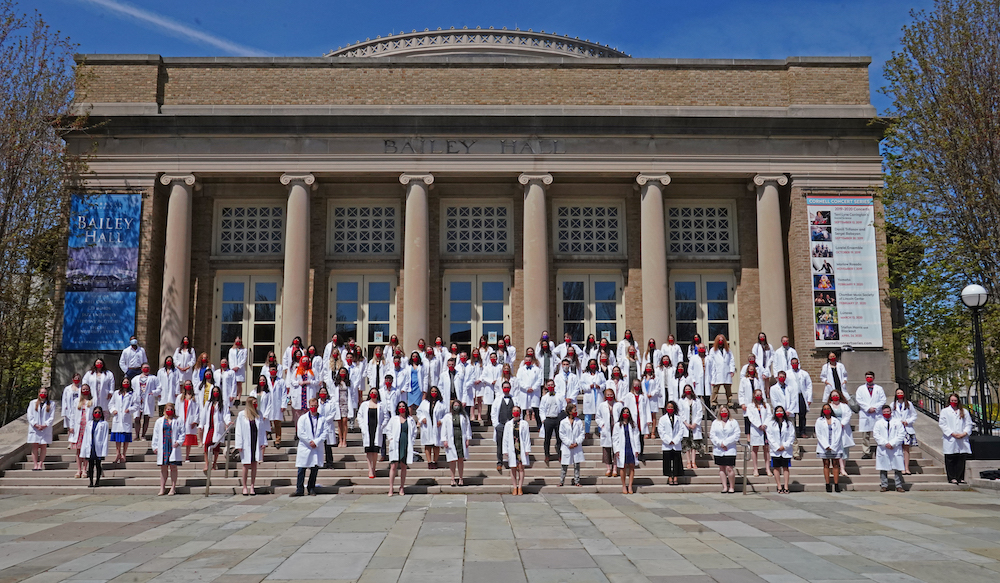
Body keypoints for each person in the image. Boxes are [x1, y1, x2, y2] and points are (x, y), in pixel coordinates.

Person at [292, 398, 326, 496]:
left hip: (316, 446)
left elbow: (325, 432)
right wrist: (309, 441)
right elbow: (300, 432)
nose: (313, 408)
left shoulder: (322, 419)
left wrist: (316, 442)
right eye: (311, 406)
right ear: (309, 406)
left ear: (318, 406)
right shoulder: (303, 418)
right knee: (301, 469)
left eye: (315, 406)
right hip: (305, 446)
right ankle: (299, 489)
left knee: (314, 468)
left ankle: (311, 487)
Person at [235, 396, 268, 496]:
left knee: (254, 464)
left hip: (256, 441)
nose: (255, 404)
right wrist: (239, 444)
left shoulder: (259, 414)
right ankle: (244, 486)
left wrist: (263, 443)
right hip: (246, 443)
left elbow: (262, 430)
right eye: (254, 403)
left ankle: (252, 485)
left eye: (256, 402)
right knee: (245, 465)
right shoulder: (242, 414)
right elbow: (238, 430)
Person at [152, 402, 185, 496]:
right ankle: (162, 487)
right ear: (164, 410)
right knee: (163, 468)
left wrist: (178, 442)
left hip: (173, 445)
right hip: (163, 445)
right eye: (167, 409)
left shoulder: (178, 420)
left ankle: (173, 487)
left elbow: (182, 432)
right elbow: (156, 434)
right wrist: (154, 446)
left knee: (173, 467)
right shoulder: (159, 421)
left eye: (171, 409)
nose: (169, 411)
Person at [939, 393, 972, 485]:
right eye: (952, 400)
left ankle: (960, 477)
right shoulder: (945, 411)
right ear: (949, 401)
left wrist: (964, 433)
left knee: (961, 458)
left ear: (958, 401)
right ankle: (952, 477)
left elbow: (968, 424)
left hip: (962, 438)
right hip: (950, 438)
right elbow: (942, 424)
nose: (953, 402)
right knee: (950, 458)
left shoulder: (964, 411)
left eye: (955, 400)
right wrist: (952, 433)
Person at [200, 385, 232, 474]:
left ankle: (214, 463)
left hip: (218, 427)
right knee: (206, 444)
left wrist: (228, 422)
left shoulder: (223, 403)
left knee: (216, 447)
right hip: (209, 426)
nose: (215, 393)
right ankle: (207, 464)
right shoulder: (208, 403)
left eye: (217, 391)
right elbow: (204, 415)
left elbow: (226, 415)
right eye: (214, 391)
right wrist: (201, 425)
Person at [357, 388, 388, 479]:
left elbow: (386, 417)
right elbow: (359, 416)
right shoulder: (364, 405)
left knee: (375, 451)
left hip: (377, 429)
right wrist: (362, 426)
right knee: (368, 450)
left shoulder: (381, 405)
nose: (373, 394)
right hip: (367, 429)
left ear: (377, 394)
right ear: (369, 394)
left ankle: (374, 467)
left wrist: (382, 426)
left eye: (375, 393)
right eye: (372, 392)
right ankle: (370, 469)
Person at [874, 404, 906, 493]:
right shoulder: (878, 423)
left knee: (898, 467)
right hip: (883, 448)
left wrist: (892, 443)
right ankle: (884, 485)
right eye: (884, 412)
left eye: (888, 411)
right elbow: (876, 435)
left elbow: (901, 434)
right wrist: (885, 443)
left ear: (891, 412)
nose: (886, 413)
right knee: (883, 467)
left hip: (895, 447)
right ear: (882, 413)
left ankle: (899, 485)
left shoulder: (897, 422)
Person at [855, 371, 886, 459]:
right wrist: (868, 408)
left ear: (874, 378)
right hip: (866, 413)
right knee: (865, 435)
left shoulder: (879, 388)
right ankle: (866, 452)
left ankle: (880, 451)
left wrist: (875, 407)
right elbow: (859, 400)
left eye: (871, 377)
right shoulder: (860, 389)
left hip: (876, 414)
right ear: (865, 378)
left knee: (879, 433)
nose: (869, 378)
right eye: (867, 377)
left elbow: (883, 400)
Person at [387, 401, 415, 496]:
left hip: (405, 443)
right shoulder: (394, 419)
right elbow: (388, 429)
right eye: (400, 406)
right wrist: (391, 439)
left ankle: (402, 487)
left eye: (403, 406)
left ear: (406, 408)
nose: (401, 408)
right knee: (393, 466)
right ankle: (391, 487)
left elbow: (414, 431)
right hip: (395, 443)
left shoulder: (410, 420)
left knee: (403, 466)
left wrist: (412, 440)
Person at [441, 400, 472, 487]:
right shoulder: (447, 416)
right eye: (455, 405)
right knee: (452, 460)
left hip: (461, 439)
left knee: (460, 460)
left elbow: (467, 428)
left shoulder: (464, 416)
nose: (456, 407)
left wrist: (468, 439)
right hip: (451, 440)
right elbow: (444, 429)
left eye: (458, 405)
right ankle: (452, 478)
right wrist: (444, 440)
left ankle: (461, 478)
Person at [711, 405, 740, 493]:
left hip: (730, 448)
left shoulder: (733, 422)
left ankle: (731, 486)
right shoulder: (715, 422)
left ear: (728, 412)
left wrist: (726, 443)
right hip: (719, 449)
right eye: (722, 411)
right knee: (722, 468)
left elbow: (736, 435)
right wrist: (720, 443)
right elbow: (712, 435)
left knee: (729, 468)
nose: (724, 412)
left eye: (725, 411)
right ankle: (724, 487)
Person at [816, 403, 845, 492]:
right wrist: (826, 445)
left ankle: (836, 484)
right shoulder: (819, 421)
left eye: (828, 408)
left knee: (836, 464)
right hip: (823, 446)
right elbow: (819, 434)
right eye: (825, 409)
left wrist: (833, 446)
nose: (826, 410)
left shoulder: (836, 420)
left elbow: (839, 434)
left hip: (835, 446)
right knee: (826, 464)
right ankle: (827, 484)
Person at [503, 406, 532, 495]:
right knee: (513, 468)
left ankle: (520, 487)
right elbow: (505, 438)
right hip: (512, 448)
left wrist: (527, 448)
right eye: (514, 411)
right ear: (512, 413)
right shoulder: (508, 424)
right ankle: (514, 487)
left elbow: (527, 437)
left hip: (521, 448)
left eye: (517, 411)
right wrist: (505, 450)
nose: (516, 412)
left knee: (521, 468)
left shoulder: (524, 423)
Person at [613, 407, 641, 494]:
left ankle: (630, 486)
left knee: (631, 466)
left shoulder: (633, 424)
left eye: (627, 412)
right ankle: (624, 485)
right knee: (623, 466)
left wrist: (637, 449)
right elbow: (615, 438)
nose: (626, 414)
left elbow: (636, 437)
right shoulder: (618, 425)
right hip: (622, 447)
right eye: (624, 412)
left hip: (631, 447)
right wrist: (616, 450)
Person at [69, 385, 95, 478]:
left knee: (86, 450)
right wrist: (71, 426)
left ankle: (85, 469)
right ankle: (78, 469)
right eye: (83, 389)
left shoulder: (92, 402)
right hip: (78, 428)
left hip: (88, 427)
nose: (85, 391)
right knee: (79, 450)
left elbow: (95, 415)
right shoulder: (77, 401)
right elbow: (72, 414)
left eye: (87, 389)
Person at [827, 390, 855, 476]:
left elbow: (848, 415)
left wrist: (842, 423)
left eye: (836, 395)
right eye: (833, 395)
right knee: (836, 448)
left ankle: (843, 468)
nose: (835, 397)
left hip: (843, 428)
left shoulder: (844, 406)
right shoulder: (829, 406)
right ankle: (837, 467)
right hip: (833, 429)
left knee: (843, 449)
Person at [767, 405, 794, 493]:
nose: (779, 413)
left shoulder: (789, 424)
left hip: (785, 449)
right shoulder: (771, 424)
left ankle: (786, 486)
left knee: (785, 467)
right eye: (777, 411)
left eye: (781, 411)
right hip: (776, 450)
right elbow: (769, 436)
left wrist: (784, 446)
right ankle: (779, 486)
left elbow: (791, 436)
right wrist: (776, 447)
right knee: (776, 467)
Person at [417, 386, 445, 469]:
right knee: (428, 445)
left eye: (435, 391)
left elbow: (446, 415)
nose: (434, 393)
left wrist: (441, 421)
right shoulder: (424, 402)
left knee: (436, 445)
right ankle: (429, 462)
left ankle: (435, 461)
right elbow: (419, 412)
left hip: (437, 426)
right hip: (427, 427)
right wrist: (422, 418)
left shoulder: (442, 403)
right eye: (432, 391)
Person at [596, 387, 622, 478]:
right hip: (606, 429)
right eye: (608, 395)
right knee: (606, 450)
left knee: (616, 449)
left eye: (611, 395)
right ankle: (608, 468)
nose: (609, 396)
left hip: (616, 428)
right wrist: (602, 424)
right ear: (605, 396)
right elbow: (598, 417)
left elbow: (622, 416)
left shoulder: (618, 405)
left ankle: (615, 468)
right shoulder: (602, 405)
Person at [891, 388, 918, 475]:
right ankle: (901, 467)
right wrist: (897, 422)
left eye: (901, 393)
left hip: (907, 428)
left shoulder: (909, 404)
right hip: (897, 429)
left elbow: (914, 415)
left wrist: (907, 421)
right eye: (898, 393)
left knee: (906, 449)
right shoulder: (893, 405)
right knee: (899, 449)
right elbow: (891, 416)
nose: (900, 394)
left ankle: (907, 468)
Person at [109, 378, 135, 464]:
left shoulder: (132, 394)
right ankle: (118, 454)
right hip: (117, 417)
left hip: (126, 417)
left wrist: (130, 409)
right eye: (124, 382)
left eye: (127, 382)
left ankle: (124, 454)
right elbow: (111, 404)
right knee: (118, 438)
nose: (126, 383)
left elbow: (136, 405)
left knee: (125, 437)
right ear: (121, 383)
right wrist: (113, 410)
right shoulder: (116, 393)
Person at [746, 388, 771, 477]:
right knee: (755, 449)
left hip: (765, 429)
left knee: (766, 449)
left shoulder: (766, 405)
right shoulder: (750, 406)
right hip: (756, 429)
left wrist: (765, 424)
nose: (759, 397)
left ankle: (767, 468)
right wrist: (759, 425)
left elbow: (769, 415)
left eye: (760, 395)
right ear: (754, 395)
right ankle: (755, 469)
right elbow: (751, 417)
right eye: (757, 395)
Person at [81, 406, 109, 487]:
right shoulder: (89, 423)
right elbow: (86, 436)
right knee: (90, 465)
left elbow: (105, 437)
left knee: (98, 464)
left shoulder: (104, 424)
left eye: (99, 412)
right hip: (90, 446)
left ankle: (97, 481)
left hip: (98, 447)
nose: (97, 414)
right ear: (93, 414)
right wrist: (84, 448)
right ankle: (90, 482)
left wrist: (104, 450)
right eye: (95, 412)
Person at [27, 389, 54, 470]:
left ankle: (40, 463)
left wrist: (45, 425)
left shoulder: (51, 404)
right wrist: (35, 424)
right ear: (39, 393)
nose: (43, 394)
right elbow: (29, 415)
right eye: (42, 392)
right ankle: (35, 464)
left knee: (43, 446)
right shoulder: (33, 403)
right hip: (35, 428)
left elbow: (51, 417)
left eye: (45, 392)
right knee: (35, 447)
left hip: (45, 428)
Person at [658, 400, 684, 485]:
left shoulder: (678, 419)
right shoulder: (662, 419)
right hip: (667, 444)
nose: (670, 409)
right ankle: (669, 477)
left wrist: (675, 440)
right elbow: (661, 431)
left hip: (676, 443)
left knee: (676, 461)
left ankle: (676, 477)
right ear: (666, 408)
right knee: (667, 461)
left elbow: (681, 430)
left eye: (671, 407)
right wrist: (668, 440)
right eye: (668, 407)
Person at [133, 363, 160, 441]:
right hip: (138, 400)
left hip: (148, 400)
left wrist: (153, 392)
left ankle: (143, 435)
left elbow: (159, 388)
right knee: (137, 418)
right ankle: (137, 435)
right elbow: (132, 388)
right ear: (141, 369)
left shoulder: (153, 378)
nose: (146, 369)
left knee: (146, 418)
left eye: (147, 367)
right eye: (144, 367)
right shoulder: (135, 379)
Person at [707, 335, 736, 408]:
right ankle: (714, 402)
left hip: (726, 371)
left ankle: (729, 402)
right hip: (717, 371)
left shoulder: (728, 350)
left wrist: (732, 370)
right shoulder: (713, 350)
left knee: (728, 389)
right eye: (719, 340)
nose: (721, 342)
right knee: (715, 389)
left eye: (722, 340)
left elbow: (731, 360)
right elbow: (711, 361)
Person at [786, 358, 812, 438]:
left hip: (801, 396)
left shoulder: (804, 373)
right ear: (791, 364)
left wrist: (809, 398)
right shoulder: (787, 374)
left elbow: (809, 385)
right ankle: (792, 432)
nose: (794, 364)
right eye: (793, 363)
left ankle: (802, 432)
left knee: (802, 415)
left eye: (796, 363)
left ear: (798, 363)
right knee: (792, 415)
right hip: (791, 396)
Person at [580, 359, 606, 439]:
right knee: (588, 416)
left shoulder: (600, 374)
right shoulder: (585, 375)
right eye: (591, 364)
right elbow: (582, 385)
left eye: (594, 364)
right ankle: (587, 432)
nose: (593, 366)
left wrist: (600, 387)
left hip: (598, 396)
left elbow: (604, 384)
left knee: (599, 415)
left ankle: (600, 431)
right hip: (589, 396)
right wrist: (589, 387)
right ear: (588, 365)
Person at [516, 349, 542, 427]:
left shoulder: (537, 369)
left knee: (536, 410)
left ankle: (539, 426)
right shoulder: (521, 370)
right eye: (526, 360)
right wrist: (526, 388)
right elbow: (519, 380)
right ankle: (521, 425)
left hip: (534, 392)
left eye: (529, 360)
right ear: (524, 361)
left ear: (532, 361)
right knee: (523, 410)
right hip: (524, 392)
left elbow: (539, 379)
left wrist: (533, 388)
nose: (528, 361)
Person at [330, 367, 355, 448]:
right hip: (338, 404)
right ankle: (340, 440)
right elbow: (332, 394)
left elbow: (352, 393)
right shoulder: (335, 383)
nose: (342, 373)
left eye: (344, 372)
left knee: (344, 422)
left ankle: (344, 440)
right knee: (339, 423)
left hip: (346, 404)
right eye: (341, 372)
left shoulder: (349, 383)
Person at [680, 385, 703, 470]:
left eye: (689, 389)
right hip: (686, 425)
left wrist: (695, 423)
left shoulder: (697, 401)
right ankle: (688, 462)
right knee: (687, 445)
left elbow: (699, 412)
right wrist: (686, 423)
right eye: (686, 389)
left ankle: (693, 462)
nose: (688, 390)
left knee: (694, 445)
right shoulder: (681, 401)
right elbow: (680, 413)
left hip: (694, 426)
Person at [493, 382, 515, 473]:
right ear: (502, 388)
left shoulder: (514, 399)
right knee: (500, 444)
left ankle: (512, 462)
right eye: (505, 387)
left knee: (512, 444)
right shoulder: (498, 399)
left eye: (508, 387)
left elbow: (518, 410)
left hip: (511, 425)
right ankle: (499, 462)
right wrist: (496, 424)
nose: (506, 389)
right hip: (501, 425)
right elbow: (493, 412)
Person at [539, 381, 563, 464]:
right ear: (546, 386)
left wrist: (561, 418)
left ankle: (560, 455)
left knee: (559, 438)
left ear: (554, 385)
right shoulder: (544, 397)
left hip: (557, 419)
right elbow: (541, 409)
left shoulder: (560, 396)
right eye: (548, 385)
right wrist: (543, 419)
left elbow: (563, 407)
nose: (550, 386)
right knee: (547, 439)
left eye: (552, 385)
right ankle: (547, 455)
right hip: (548, 419)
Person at [317, 385, 339, 467]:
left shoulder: (331, 403)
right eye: (321, 392)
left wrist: (324, 420)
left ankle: (329, 463)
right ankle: (319, 463)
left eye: (324, 392)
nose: (323, 393)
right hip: (318, 426)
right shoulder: (317, 402)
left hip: (328, 425)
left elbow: (333, 413)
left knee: (328, 446)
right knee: (319, 446)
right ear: (319, 393)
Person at [177, 381, 200, 461]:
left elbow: (198, 410)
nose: (188, 386)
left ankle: (187, 456)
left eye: (189, 384)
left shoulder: (195, 397)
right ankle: (179, 456)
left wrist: (195, 420)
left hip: (190, 421)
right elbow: (177, 409)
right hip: (181, 420)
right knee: (179, 439)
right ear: (184, 386)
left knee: (188, 441)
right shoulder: (179, 397)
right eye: (186, 384)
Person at [228, 337, 248, 402]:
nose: (238, 343)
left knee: (239, 384)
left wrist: (238, 367)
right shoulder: (231, 350)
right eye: (237, 341)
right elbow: (230, 359)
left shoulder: (244, 350)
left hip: (240, 369)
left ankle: (238, 398)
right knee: (234, 383)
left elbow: (244, 360)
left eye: (239, 341)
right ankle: (233, 396)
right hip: (233, 369)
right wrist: (232, 367)